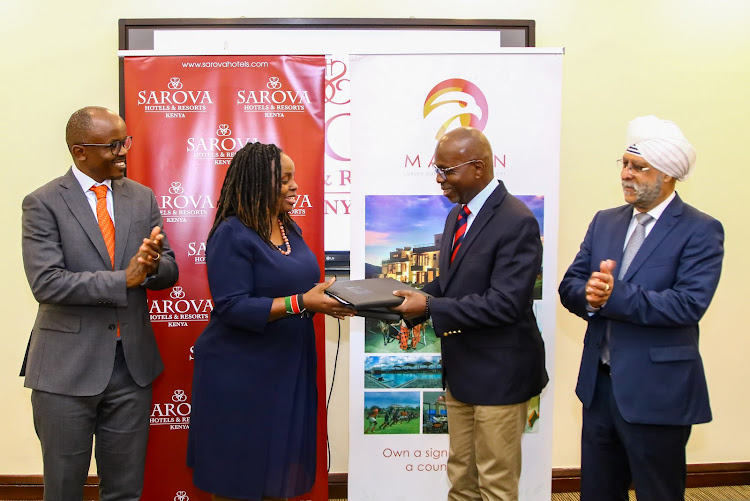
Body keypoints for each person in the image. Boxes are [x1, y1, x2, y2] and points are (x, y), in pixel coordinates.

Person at [558, 115, 724, 501]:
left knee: (658, 492)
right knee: (598, 492)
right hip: (599, 388)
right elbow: (570, 285)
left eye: (639, 168)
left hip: (658, 391)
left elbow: (688, 304)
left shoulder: (700, 229)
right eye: (624, 165)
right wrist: (591, 296)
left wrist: (613, 296)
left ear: (666, 174)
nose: (626, 175)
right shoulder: (605, 222)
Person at [21, 106, 179, 500]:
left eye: (125, 141)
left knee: (125, 490)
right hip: (65, 371)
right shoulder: (42, 203)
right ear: (80, 152)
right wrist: (123, 279)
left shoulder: (142, 198)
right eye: (113, 145)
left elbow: (170, 270)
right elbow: (47, 282)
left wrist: (153, 266)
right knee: (64, 489)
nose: (124, 151)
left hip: (132, 367)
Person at [186, 142, 354, 501]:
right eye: (285, 179)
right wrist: (301, 302)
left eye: (294, 178)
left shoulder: (288, 227)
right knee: (239, 479)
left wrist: (325, 297)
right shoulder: (231, 233)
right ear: (259, 182)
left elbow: (299, 290)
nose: (295, 186)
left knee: (281, 471)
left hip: (287, 365)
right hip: (240, 374)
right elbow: (232, 306)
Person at [393, 127, 548, 501]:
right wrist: (396, 301)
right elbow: (451, 284)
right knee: (461, 479)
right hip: (462, 373)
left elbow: (505, 303)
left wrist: (428, 306)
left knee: (495, 483)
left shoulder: (516, 220)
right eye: (437, 169)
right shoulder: (457, 217)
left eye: (447, 171)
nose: (439, 179)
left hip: (500, 375)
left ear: (477, 168)